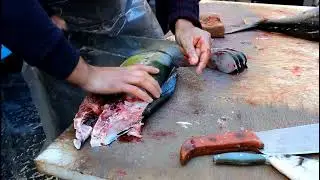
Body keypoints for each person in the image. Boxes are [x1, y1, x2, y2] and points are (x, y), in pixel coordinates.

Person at [1, 0, 211, 103]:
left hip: (128, 15)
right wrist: (85, 74)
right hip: (46, 36)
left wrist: (184, 19)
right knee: (85, 148)